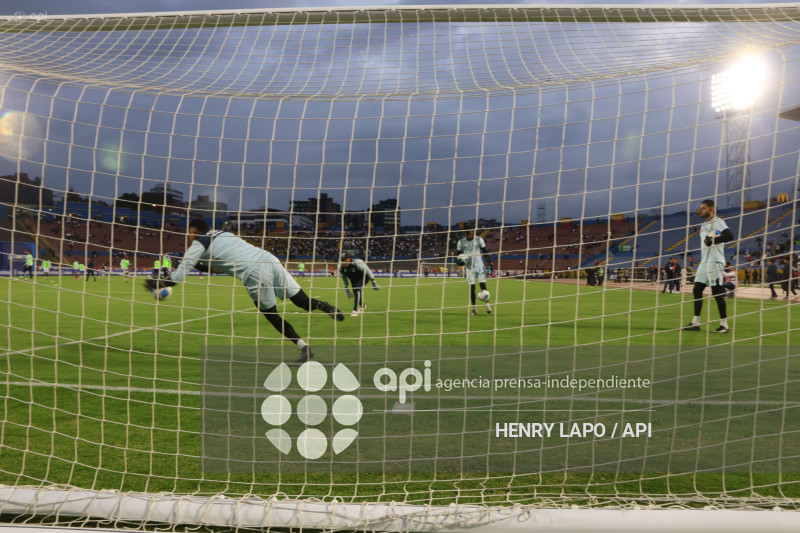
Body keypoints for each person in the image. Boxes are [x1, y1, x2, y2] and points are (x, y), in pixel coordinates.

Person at [146, 219, 343, 363]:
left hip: (254, 273)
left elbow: (180, 276)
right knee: (302, 301)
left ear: (195, 231)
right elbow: (219, 265)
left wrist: (158, 284)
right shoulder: (224, 233)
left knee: (271, 315)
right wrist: (201, 266)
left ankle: (304, 348)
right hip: (269, 259)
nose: (189, 237)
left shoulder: (198, 244)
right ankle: (324, 306)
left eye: (190, 233)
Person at [683, 199, 735, 333]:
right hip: (704, 262)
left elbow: (729, 235)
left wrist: (713, 240)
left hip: (715, 261)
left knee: (716, 292)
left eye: (704, 208)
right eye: (700, 208)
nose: (701, 210)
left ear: (712, 209)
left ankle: (724, 325)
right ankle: (695, 323)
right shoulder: (704, 225)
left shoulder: (717, 221)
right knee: (697, 290)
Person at [456, 228, 492, 315]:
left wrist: (490, 263)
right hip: (469, 268)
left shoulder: (479, 240)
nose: (470, 235)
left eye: (471, 233)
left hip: (480, 267)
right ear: (465, 234)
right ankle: (474, 309)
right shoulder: (461, 242)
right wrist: (459, 261)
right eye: (468, 234)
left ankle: (488, 305)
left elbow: (484, 252)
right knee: (472, 288)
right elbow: (458, 255)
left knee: (483, 285)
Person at [339, 252, 380, 317]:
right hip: (353, 280)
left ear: (350, 259)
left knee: (357, 290)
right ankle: (363, 306)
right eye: (342, 260)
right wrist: (346, 289)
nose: (343, 262)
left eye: (345, 260)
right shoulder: (341, 268)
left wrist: (374, 283)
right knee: (357, 294)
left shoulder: (358, 263)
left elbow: (368, 271)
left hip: (363, 278)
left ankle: (355, 310)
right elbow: (344, 279)